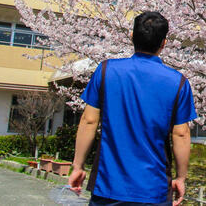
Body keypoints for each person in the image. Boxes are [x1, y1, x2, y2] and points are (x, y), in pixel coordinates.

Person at [68, 11, 197, 206]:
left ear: (131, 37)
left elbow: (89, 120)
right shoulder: (178, 82)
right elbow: (181, 133)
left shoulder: (105, 71)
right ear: (163, 43)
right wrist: (181, 177)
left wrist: (77, 166)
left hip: (108, 186)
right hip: (153, 189)